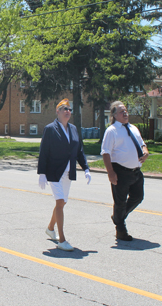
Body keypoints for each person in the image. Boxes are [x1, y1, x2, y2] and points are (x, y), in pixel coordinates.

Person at [37, 98, 91, 252]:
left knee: (62, 203)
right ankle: (62, 240)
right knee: (60, 202)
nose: (68, 111)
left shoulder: (73, 129)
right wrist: (42, 173)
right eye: (64, 109)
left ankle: (50, 228)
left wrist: (86, 168)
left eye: (69, 109)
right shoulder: (50, 129)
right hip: (54, 172)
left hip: (68, 172)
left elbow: (79, 151)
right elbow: (44, 152)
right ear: (57, 111)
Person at [101, 101, 149, 241]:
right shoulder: (112, 131)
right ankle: (121, 230)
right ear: (114, 115)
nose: (125, 113)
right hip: (120, 172)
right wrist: (110, 172)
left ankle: (117, 217)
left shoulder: (133, 128)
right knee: (120, 202)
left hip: (136, 172)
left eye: (126, 110)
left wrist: (145, 151)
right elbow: (105, 152)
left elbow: (142, 143)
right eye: (122, 111)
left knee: (138, 197)